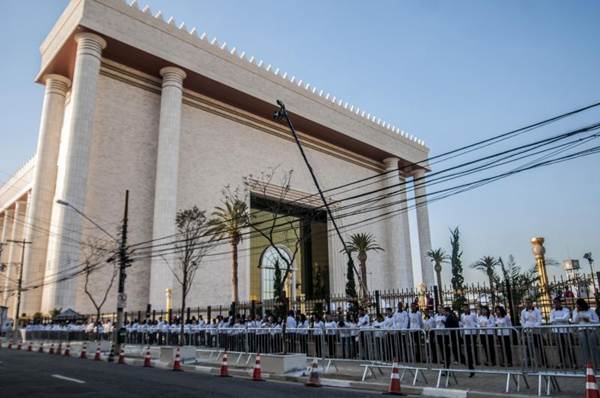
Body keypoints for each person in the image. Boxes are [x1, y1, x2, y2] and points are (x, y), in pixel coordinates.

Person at [572, 298, 600, 368]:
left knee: (593, 347)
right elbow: (574, 321)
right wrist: (578, 313)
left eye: (579, 306)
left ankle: (597, 364)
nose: (578, 307)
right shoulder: (575, 311)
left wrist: (589, 320)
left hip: (590, 330)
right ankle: (587, 365)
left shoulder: (590, 311)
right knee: (584, 348)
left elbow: (597, 321)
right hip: (581, 331)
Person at [520, 297, 547, 368]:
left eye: (529, 303)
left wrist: (534, 327)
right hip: (527, 331)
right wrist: (526, 328)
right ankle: (530, 362)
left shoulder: (537, 311)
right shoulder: (523, 312)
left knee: (540, 346)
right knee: (528, 347)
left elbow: (539, 320)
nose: (527, 304)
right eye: (526, 303)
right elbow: (522, 321)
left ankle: (544, 363)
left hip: (536, 331)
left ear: (532, 303)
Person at [549, 297, 575, 369]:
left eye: (557, 302)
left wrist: (556, 319)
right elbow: (551, 320)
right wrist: (560, 319)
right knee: (560, 348)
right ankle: (561, 363)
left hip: (566, 331)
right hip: (557, 331)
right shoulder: (552, 311)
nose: (555, 304)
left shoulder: (566, 310)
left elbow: (566, 318)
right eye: (554, 303)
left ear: (560, 303)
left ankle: (573, 363)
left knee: (569, 347)